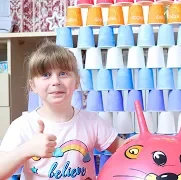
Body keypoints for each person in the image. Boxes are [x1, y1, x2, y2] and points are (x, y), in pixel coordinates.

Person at [0, 41, 125, 180]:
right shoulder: (23, 125)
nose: (55, 81)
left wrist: (145, 141)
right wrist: (27, 149)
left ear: (76, 81)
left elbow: (124, 150)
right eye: (46, 75)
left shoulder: (92, 122)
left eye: (63, 73)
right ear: (33, 85)